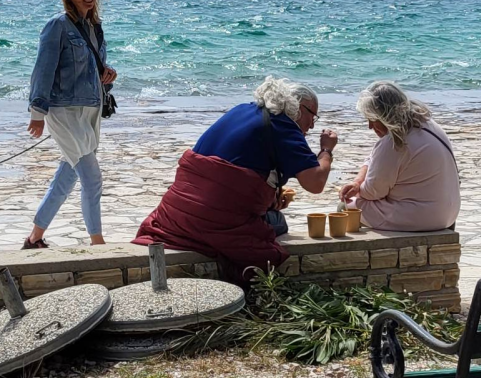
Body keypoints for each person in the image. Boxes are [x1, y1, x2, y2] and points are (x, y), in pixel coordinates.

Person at [135, 76, 337, 281]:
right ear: (300, 108)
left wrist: (270, 199)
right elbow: (315, 183)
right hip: (211, 219)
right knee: (278, 223)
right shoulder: (282, 125)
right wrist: (326, 150)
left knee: (266, 213)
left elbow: (237, 166)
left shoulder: (241, 110)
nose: (312, 126)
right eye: (313, 116)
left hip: (175, 215)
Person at [22, 0, 117, 249]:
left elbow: (91, 69)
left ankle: (34, 238)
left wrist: (107, 75)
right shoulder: (57, 26)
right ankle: (97, 243)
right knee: (92, 178)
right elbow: (43, 70)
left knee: (67, 175)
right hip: (63, 112)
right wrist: (37, 113)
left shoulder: (95, 28)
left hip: (90, 111)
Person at [339, 81, 459, 231]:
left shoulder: (394, 142)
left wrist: (357, 190)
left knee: (345, 206)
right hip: (448, 214)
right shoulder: (428, 124)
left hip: (423, 218)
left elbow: (372, 192)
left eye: (372, 120)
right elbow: (373, 158)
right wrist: (357, 182)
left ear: (384, 117)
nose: (370, 126)